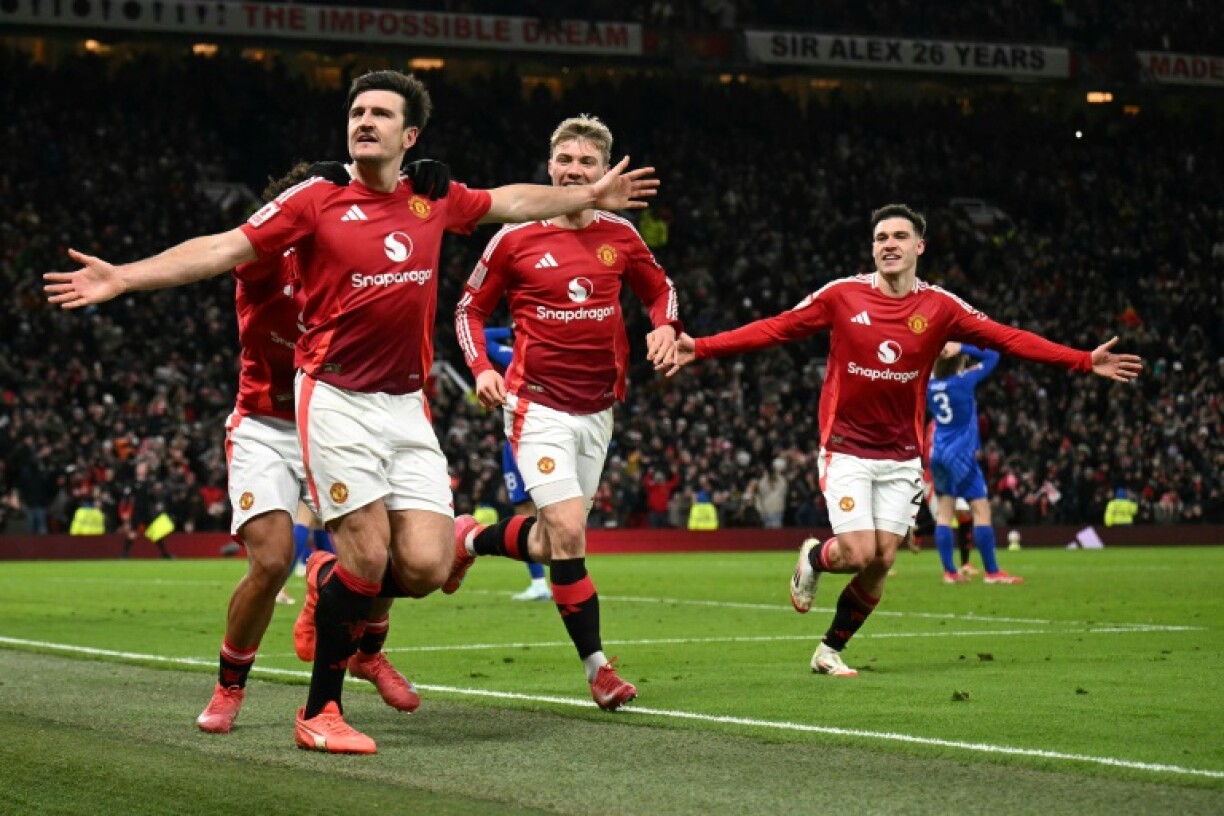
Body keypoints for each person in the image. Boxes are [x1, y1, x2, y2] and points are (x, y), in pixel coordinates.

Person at [46, 70, 658, 753]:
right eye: (357, 111)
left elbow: (507, 200)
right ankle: (319, 712)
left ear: (410, 134)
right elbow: (222, 248)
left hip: (405, 404)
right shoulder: (316, 198)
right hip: (332, 395)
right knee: (362, 551)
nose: (364, 120)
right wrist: (125, 276)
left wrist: (592, 194)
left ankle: (332, 588)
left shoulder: (433, 198)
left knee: (423, 567)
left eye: (380, 113)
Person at [664, 203, 1142, 677]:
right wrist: (701, 346)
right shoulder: (843, 295)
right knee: (856, 553)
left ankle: (829, 650)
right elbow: (778, 327)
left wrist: (1081, 360)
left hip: (902, 455)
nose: (888, 245)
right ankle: (813, 557)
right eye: (880, 238)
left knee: (883, 559)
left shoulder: (942, 307)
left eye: (898, 237)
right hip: (846, 445)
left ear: (919, 246)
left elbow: (1006, 338)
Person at [192, 159, 447, 734]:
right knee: (273, 558)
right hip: (268, 424)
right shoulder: (262, 265)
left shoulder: (353, 259)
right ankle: (230, 686)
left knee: (387, 545)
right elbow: (227, 250)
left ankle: (368, 647)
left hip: (343, 416)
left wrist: (421, 181)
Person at [450, 114, 681, 710]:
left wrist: (664, 327)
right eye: (566, 162)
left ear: (605, 172)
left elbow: (661, 291)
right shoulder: (514, 236)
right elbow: (468, 309)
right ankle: (599, 669)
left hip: (599, 410)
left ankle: (470, 540)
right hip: (537, 405)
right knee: (571, 531)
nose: (575, 171)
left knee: (557, 542)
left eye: (587, 164)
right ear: (551, 167)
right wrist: (482, 368)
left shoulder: (622, 235)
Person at [927, 342, 1021, 584]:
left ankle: (950, 572)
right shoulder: (963, 381)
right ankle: (992, 572)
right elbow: (992, 355)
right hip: (960, 454)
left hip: (938, 452)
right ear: (958, 361)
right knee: (981, 509)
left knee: (945, 512)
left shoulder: (929, 384)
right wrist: (962, 346)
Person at [485, 326, 551, 601]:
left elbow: (485, 337)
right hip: (522, 437)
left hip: (531, 437)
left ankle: (548, 579)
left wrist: (509, 329)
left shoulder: (515, 356)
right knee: (530, 509)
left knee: (539, 509)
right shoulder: (522, 357)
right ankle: (541, 582)